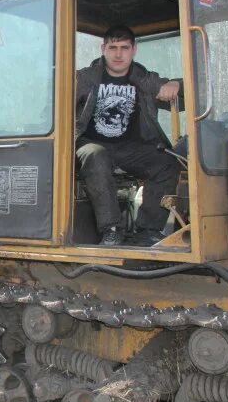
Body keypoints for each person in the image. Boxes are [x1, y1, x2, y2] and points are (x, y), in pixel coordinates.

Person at [75, 24, 182, 246]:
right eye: (113, 47)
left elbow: (179, 89)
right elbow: (54, 104)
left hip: (129, 148)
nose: (118, 54)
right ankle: (111, 229)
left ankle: (148, 231)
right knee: (96, 155)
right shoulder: (84, 78)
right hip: (90, 144)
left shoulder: (143, 78)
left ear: (134, 50)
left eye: (124, 47)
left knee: (167, 162)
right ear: (103, 48)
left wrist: (174, 84)